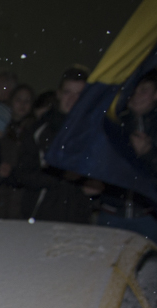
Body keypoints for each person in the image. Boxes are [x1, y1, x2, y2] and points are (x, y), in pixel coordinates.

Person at [96, 69, 157, 248]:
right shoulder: (113, 123)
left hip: (149, 216)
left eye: (144, 90)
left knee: (147, 265)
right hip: (111, 213)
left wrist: (148, 153)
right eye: (132, 90)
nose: (136, 96)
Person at [10, 67, 97, 224]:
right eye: (68, 92)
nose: (72, 99)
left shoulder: (93, 131)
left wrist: (91, 185)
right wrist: (61, 176)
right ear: (58, 94)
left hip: (79, 218)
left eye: (79, 94)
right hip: (43, 216)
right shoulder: (40, 130)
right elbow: (22, 174)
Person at [0, 84, 36, 219]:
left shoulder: (34, 129)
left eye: (27, 101)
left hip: (23, 186)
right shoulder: (0, 126)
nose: (22, 105)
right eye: (18, 100)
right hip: (1, 185)